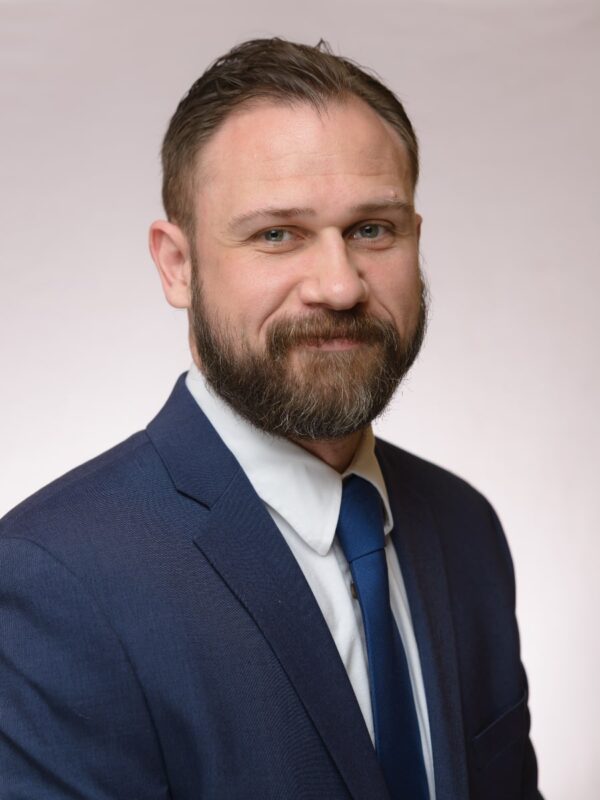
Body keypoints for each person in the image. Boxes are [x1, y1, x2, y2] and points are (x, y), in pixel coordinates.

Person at [0, 37, 543, 800]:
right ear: (177, 265)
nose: (339, 286)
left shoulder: (465, 527)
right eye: (277, 234)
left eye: (372, 230)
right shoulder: (50, 582)